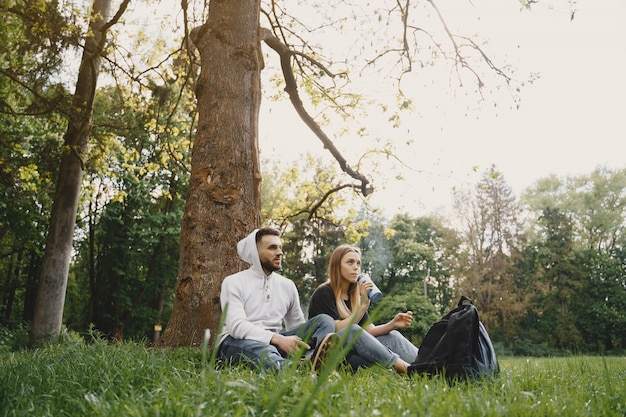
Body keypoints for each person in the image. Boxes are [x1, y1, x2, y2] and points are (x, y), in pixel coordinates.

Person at [218, 227, 339, 372]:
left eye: (280, 248)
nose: (280, 253)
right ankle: (298, 370)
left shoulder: (287, 285)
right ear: (255, 253)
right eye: (272, 248)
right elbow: (236, 327)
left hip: (276, 343)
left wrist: (296, 342)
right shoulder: (233, 282)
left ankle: (311, 360)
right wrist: (278, 339)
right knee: (263, 350)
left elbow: (296, 325)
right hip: (237, 342)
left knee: (324, 321)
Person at [309, 244, 419, 373]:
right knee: (354, 331)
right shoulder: (324, 293)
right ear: (337, 266)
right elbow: (336, 330)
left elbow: (369, 331)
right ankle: (407, 370)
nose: (356, 267)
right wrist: (362, 307)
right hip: (331, 355)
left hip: (352, 352)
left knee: (393, 335)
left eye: (358, 263)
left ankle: (428, 366)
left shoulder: (354, 296)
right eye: (350, 262)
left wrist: (393, 324)